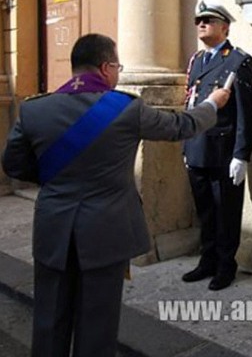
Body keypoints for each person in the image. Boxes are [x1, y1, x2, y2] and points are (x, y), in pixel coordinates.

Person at [1, 33, 230, 357]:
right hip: (105, 234)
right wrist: (212, 104)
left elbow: (13, 164)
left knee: (49, 323)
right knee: (97, 329)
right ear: (106, 67)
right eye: (118, 66)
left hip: (53, 231)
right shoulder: (126, 108)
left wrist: (57, 180)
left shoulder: (35, 110)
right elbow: (181, 126)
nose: (119, 73)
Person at [181, 0, 252, 291]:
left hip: (223, 152)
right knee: (205, 211)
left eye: (208, 20)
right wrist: (186, 147)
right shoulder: (197, 60)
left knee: (226, 211)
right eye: (199, 20)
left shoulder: (238, 60)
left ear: (224, 27)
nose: (201, 24)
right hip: (197, 148)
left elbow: (244, 113)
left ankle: (227, 265)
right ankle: (207, 260)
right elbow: (192, 103)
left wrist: (241, 155)